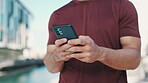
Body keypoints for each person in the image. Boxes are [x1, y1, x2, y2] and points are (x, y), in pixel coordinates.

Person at [44, 0, 141, 83]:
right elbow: (51, 67)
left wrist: (100, 54)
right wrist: (57, 56)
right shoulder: (57, 15)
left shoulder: (122, 6)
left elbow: (134, 60)